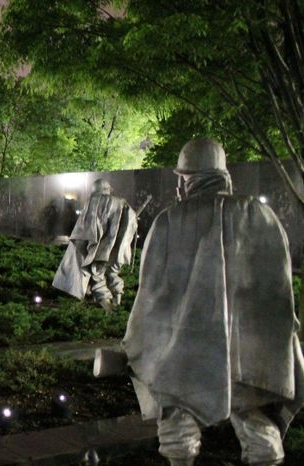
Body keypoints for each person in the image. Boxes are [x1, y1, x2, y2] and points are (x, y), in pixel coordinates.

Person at [123, 138, 304, 466]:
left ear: (186, 178)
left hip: (185, 351)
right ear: (222, 174)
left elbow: (152, 293)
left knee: (177, 426)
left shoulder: (170, 220)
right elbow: (278, 288)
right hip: (251, 350)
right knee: (258, 428)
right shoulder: (261, 215)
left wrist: (141, 343)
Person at [52, 179, 137, 311]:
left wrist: (84, 243)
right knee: (113, 272)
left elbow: (89, 227)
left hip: (101, 247)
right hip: (118, 248)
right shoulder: (123, 204)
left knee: (97, 272)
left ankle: (107, 305)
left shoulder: (96, 201)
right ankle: (117, 298)